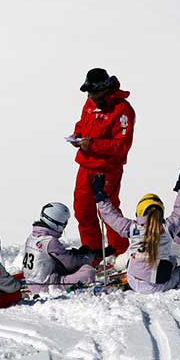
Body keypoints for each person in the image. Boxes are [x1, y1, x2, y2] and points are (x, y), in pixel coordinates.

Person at [91, 168, 180, 293]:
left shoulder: (132, 228)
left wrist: (100, 196)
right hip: (157, 286)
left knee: (133, 255)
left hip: (133, 280)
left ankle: (121, 270)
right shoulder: (167, 228)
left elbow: (111, 216)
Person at [68, 68, 136, 261]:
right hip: (86, 165)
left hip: (107, 169)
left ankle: (120, 251)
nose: (90, 96)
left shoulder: (122, 109)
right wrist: (77, 135)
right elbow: (83, 123)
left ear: (104, 88)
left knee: (108, 210)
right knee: (82, 210)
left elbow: (122, 145)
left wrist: (94, 145)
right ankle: (93, 252)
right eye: (88, 92)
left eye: (93, 92)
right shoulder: (90, 102)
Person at [22, 202, 97, 296]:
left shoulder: (32, 236)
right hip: (47, 286)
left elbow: (52, 257)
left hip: (32, 282)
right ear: (56, 223)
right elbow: (70, 264)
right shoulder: (50, 241)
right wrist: (89, 256)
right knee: (88, 272)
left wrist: (76, 253)